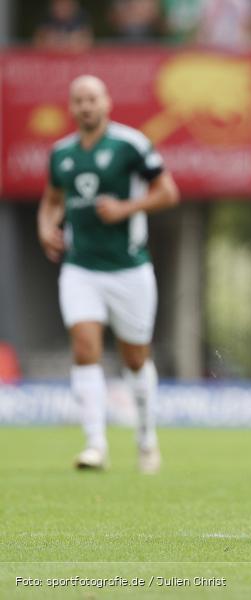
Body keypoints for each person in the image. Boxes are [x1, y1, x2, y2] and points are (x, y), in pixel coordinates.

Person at [37, 75, 179, 473]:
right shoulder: (61, 153)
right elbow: (51, 201)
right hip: (80, 268)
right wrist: (46, 227)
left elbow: (168, 192)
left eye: (92, 99)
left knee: (135, 358)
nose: (85, 106)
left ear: (106, 102)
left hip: (129, 268)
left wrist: (125, 208)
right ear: (71, 106)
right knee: (85, 347)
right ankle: (95, 445)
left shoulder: (130, 144)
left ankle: (147, 438)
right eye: (78, 100)